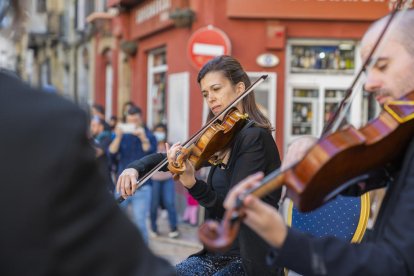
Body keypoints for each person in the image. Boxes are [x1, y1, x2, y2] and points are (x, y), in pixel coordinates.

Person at [224, 10, 414, 275]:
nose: (369, 84)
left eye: (382, 65)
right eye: (368, 70)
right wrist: (316, 151)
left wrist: (284, 239)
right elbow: (364, 176)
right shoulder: (403, 137)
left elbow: (395, 265)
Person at [0, 0, 174, 275]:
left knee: (141, 225)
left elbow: (147, 148)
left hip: (139, 185)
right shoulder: (46, 124)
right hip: (121, 184)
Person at [117, 55, 283, 275]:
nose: (211, 98)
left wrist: (193, 185)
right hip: (217, 255)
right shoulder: (222, 136)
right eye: (206, 94)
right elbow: (173, 158)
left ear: (239, 88)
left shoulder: (254, 138)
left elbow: (235, 210)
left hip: (249, 258)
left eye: (216, 89)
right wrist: (135, 168)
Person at [109, 105, 157, 243]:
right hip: (122, 185)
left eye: (135, 120)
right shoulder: (121, 135)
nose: (133, 124)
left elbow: (151, 155)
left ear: (141, 119)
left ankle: (143, 257)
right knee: (115, 221)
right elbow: (111, 154)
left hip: (142, 185)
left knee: (140, 223)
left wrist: (143, 138)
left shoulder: (149, 135)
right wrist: (118, 137)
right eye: (130, 121)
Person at [149, 123, 180, 239]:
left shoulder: (170, 145)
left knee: (170, 203)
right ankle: (153, 227)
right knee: (154, 204)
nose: (160, 134)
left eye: (162, 131)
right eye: (158, 131)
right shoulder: (151, 145)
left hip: (167, 179)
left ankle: (173, 227)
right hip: (154, 179)